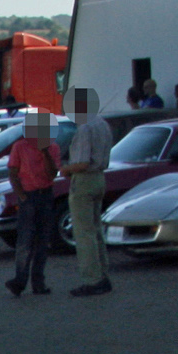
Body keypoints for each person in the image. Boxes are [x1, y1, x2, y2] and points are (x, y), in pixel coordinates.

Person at [61, 87, 114, 296]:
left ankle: (92, 279)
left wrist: (65, 169)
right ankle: (102, 274)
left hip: (84, 180)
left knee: (83, 233)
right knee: (95, 230)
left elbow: (82, 162)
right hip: (100, 178)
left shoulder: (85, 128)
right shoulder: (102, 124)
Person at [4, 112, 61, 296]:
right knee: (25, 241)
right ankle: (19, 280)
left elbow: (53, 173)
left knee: (43, 241)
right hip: (29, 195)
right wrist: (21, 195)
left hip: (45, 195)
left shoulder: (52, 148)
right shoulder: (20, 146)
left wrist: (44, 152)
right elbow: (13, 172)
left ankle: (39, 283)